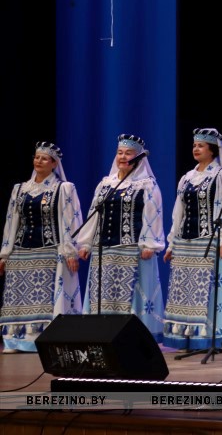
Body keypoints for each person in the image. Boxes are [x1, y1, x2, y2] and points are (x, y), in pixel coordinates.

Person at [76, 134, 165, 340]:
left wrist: (150, 243)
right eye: (120, 153)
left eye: (128, 153)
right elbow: (93, 214)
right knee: (103, 293)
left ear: (138, 157)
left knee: (130, 294)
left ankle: (132, 337)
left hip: (132, 250)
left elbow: (153, 215)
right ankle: (102, 334)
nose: (123, 157)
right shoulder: (106, 184)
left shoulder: (146, 185)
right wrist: (86, 243)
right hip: (104, 249)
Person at [162, 128, 222, 350]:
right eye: (195, 145)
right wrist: (172, 243)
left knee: (209, 289)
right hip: (185, 242)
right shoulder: (187, 178)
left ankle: (211, 336)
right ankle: (186, 336)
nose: (196, 149)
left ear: (212, 150)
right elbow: (178, 212)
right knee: (185, 290)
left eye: (201, 146)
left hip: (209, 240)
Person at [0, 143, 82, 353]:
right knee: (18, 296)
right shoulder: (20, 189)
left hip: (50, 250)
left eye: (44, 158)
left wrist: (70, 250)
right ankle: (15, 339)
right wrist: (5, 253)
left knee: (45, 297)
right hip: (21, 251)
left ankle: (43, 339)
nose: (39, 161)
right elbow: (12, 221)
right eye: (37, 157)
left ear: (54, 164)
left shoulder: (63, 188)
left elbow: (70, 220)